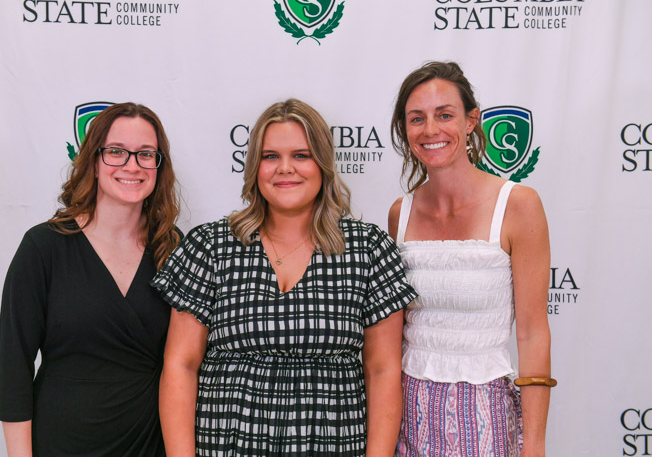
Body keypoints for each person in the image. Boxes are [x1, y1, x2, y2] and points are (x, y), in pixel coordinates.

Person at [152, 98, 418, 456]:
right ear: (254, 166)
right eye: (271, 156)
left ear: (323, 164)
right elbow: (180, 365)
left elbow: (383, 370)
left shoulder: (367, 248)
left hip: (334, 445)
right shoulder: (211, 246)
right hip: (225, 445)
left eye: (301, 155)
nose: (285, 168)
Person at [388, 62, 553, 456]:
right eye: (417, 118)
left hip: (486, 415)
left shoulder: (518, 205)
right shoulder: (400, 213)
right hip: (407, 415)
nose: (431, 130)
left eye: (445, 115)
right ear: (405, 129)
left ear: (470, 121)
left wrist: (535, 444)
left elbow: (532, 334)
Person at [0, 102, 181, 456]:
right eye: (116, 152)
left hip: (148, 443)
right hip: (61, 443)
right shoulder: (43, 247)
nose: (132, 165)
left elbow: (185, 366)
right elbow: (15, 368)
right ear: (94, 162)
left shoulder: (173, 248)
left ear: (159, 166)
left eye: (146, 154)